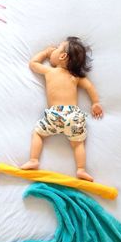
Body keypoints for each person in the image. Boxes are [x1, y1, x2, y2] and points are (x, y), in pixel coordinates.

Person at [21, 37, 103, 181]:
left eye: (57, 47)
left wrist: (45, 52)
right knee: (78, 144)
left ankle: (34, 160)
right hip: (73, 115)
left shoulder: (50, 71)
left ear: (62, 55)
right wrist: (95, 103)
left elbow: (33, 64)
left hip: (55, 114)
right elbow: (89, 86)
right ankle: (81, 169)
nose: (53, 49)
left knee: (38, 134)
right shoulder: (75, 77)